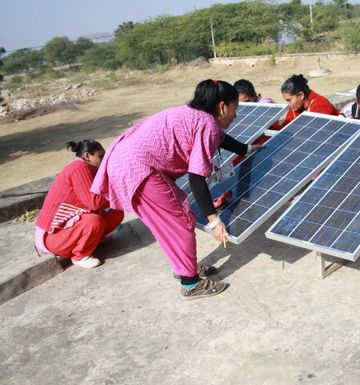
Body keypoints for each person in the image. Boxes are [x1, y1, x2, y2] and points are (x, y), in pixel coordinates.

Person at [91, 80, 263, 299]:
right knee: (181, 220)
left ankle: (185, 268)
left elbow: (221, 138)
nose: (235, 114)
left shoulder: (195, 114)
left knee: (166, 224)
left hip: (125, 163)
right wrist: (214, 221)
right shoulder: (207, 124)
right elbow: (197, 177)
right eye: (234, 108)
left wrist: (246, 149)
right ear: (222, 107)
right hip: (140, 170)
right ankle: (191, 284)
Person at [35, 140, 124, 268]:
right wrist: (120, 194)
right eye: (100, 156)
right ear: (87, 156)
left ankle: (92, 241)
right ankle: (80, 255)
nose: (104, 159)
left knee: (115, 211)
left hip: (66, 230)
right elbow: (94, 203)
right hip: (52, 237)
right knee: (94, 221)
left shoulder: (90, 168)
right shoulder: (79, 168)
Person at [272, 74, 338, 130]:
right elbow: (285, 129)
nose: (289, 105)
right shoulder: (295, 108)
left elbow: (320, 133)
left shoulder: (320, 106)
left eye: (289, 100)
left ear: (301, 95)